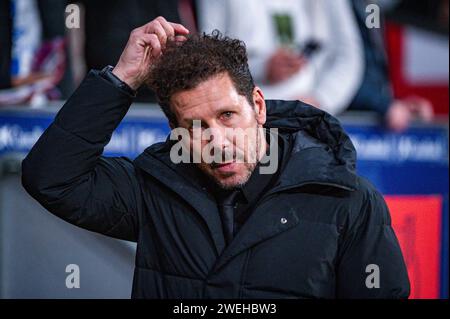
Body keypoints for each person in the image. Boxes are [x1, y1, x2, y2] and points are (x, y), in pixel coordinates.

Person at [22, 17, 410, 298]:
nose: (218, 141)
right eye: (196, 126)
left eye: (227, 116)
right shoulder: (154, 187)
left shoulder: (348, 200)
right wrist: (120, 80)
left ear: (258, 105)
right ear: (177, 133)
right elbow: (52, 179)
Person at [197, 0, 364, 115]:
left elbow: (348, 55)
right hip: (246, 117)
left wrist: (320, 99)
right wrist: (260, 68)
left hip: (310, 122)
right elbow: (210, 54)